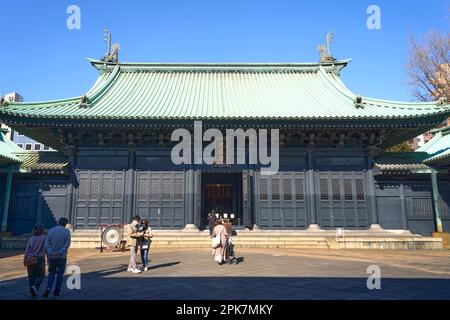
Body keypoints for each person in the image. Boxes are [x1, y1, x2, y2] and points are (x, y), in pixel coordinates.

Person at [43, 217, 71, 298]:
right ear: (65, 224)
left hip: (52, 256)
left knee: (51, 273)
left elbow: (47, 243)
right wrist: (60, 252)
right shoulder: (66, 231)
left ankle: (48, 287)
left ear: (58, 222)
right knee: (60, 274)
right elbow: (67, 244)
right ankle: (57, 290)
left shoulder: (51, 230)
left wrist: (51, 252)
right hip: (62, 256)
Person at [23, 224, 46, 297]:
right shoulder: (44, 238)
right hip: (40, 258)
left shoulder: (31, 238)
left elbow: (27, 250)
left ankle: (33, 291)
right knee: (41, 275)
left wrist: (25, 259)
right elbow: (47, 249)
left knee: (31, 276)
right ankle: (35, 287)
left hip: (30, 258)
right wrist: (49, 258)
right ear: (42, 230)